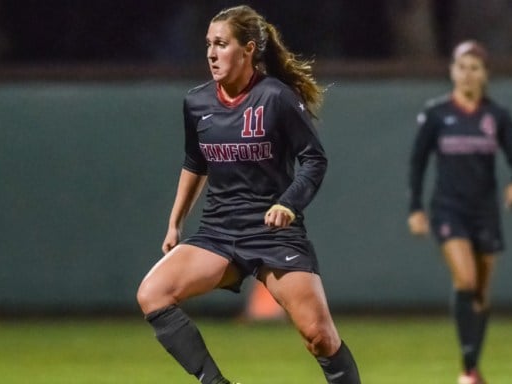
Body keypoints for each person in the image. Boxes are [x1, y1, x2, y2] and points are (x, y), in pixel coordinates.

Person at [136, 5, 361, 384]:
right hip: (219, 233)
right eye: (209, 44)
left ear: (249, 49)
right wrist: (175, 223)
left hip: (273, 234)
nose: (211, 53)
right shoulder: (197, 102)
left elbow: (314, 160)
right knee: (152, 293)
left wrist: (288, 204)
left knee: (320, 337)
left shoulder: (276, 97)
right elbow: (196, 162)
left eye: (221, 44)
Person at [407, 40, 512, 384]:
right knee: (465, 280)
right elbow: (417, 163)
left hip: (485, 211)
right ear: (452, 71)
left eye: (475, 68)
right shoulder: (436, 113)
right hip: (449, 209)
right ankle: (469, 369)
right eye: (462, 67)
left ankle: (470, 367)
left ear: (485, 74)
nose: (468, 74)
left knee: (481, 294)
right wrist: (415, 207)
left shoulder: (497, 116)